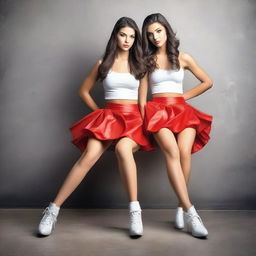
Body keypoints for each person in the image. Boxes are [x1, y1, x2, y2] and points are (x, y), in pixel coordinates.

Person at [38, 17, 153, 238]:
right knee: (88, 156)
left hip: (134, 120)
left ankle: (134, 212)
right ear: (115, 36)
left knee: (123, 150)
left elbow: (143, 100)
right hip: (110, 117)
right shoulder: (103, 64)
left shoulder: (141, 65)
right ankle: (52, 211)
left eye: (132, 36)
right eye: (123, 35)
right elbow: (83, 90)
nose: (127, 40)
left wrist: (149, 123)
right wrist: (99, 113)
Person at [140, 13, 213, 238]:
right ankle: (190, 211)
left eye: (158, 31)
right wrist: (145, 122)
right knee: (171, 152)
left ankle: (181, 207)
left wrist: (183, 97)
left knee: (184, 153)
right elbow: (143, 98)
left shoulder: (184, 57)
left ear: (167, 30)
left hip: (182, 111)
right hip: (157, 112)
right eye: (150, 34)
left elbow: (207, 82)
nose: (155, 37)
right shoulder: (146, 60)